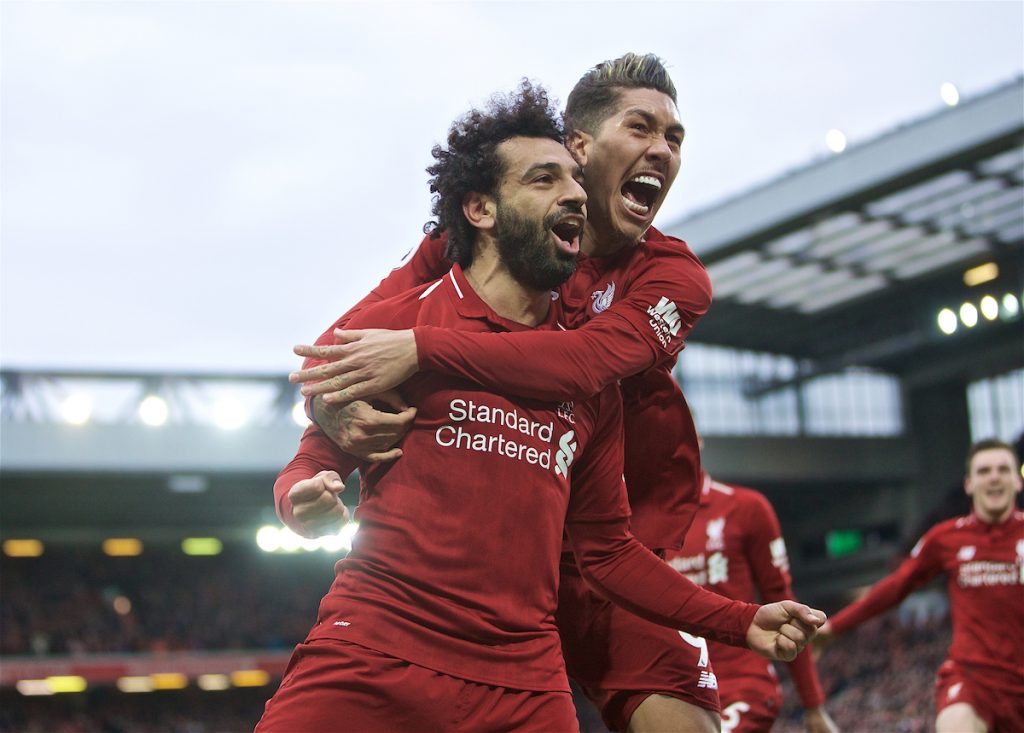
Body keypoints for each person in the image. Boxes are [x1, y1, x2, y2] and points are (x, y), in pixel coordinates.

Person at [258, 81, 824, 733]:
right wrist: (312, 468)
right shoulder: (420, 300)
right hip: (377, 648)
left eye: (674, 137)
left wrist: (741, 620)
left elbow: (588, 403)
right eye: (640, 128)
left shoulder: (657, 291)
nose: (661, 149)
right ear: (483, 208)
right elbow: (327, 373)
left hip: (548, 635)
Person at [816, 439, 1024, 733]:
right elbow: (895, 587)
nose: (994, 477)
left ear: (1017, 480)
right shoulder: (945, 538)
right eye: (984, 470)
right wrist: (836, 626)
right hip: (972, 680)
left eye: (1003, 469)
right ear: (968, 483)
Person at [665, 438, 838, 733]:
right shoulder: (634, 522)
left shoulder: (744, 508)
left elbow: (783, 601)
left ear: (697, 441)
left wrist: (813, 704)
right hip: (671, 691)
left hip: (739, 685)